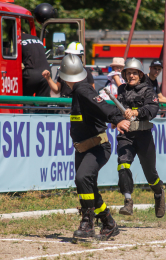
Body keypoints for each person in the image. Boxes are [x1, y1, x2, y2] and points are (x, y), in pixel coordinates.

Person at [58, 54, 130, 239]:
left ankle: (87, 224)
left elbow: (101, 105)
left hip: (97, 146)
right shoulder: (77, 92)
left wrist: (118, 119)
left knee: (83, 178)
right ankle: (108, 223)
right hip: (82, 147)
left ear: (65, 77)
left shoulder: (82, 90)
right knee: (87, 185)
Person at [115, 58, 166, 218]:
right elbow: (117, 110)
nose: (131, 76)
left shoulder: (148, 89)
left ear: (140, 74)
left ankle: (159, 193)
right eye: (128, 73)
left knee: (151, 176)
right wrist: (117, 119)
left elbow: (153, 109)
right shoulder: (121, 89)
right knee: (122, 166)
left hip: (143, 136)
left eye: (134, 73)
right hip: (126, 136)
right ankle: (128, 201)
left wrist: (135, 112)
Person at [21, 32, 51, 97]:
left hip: (31, 74)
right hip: (46, 73)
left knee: (25, 102)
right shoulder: (36, 39)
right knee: (42, 103)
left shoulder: (18, 39)